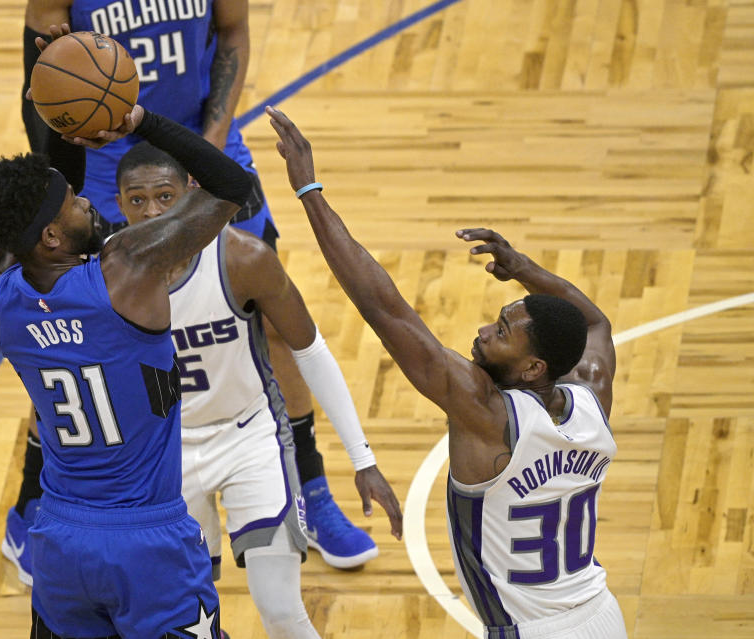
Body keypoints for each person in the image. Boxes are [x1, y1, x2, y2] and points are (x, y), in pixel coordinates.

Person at [7, 4, 382, 579]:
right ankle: (31, 503)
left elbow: (233, 30)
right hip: (104, 169)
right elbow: (40, 80)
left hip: (199, 145)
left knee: (274, 320)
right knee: (72, 336)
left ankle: (310, 489)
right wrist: (57, 75)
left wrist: (207, 140)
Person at [267, 107, 628, 639]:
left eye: (502, 333)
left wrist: (309, 191)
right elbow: (594, 321)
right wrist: (524, 270)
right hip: (602, 615)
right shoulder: (593, 396)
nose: (485, 331)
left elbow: (383, 307)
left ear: (532, 367)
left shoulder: (485, 413)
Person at [0, 104, 251, 638]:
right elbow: (232, 183)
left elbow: (25, 221)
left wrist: (62, 122)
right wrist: (141, 121)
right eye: (75, 203)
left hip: (58, 538)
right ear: (51, 237)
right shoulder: (128, 269)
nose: (87, 200)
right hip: (146, 540)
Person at [112, 141, 402, 637]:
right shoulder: (107, 273)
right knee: (184, 621)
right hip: (164, 454)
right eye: (136, 200)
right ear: (118, 204)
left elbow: (311, 351)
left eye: (164, 195)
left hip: (249, 438)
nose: (152, 211)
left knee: (283, 613)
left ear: (191, 193)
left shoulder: (241, 258)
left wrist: (363, 458)